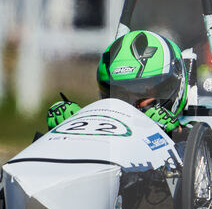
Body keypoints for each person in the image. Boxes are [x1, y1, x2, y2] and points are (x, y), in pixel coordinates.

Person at [46, 30, 189, 133]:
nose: (132, 105)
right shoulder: (107, 131)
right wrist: (73, 122)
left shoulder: (198, 135)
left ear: (171, 85)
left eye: (142, 91)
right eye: (121, 94)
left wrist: (175, 132)